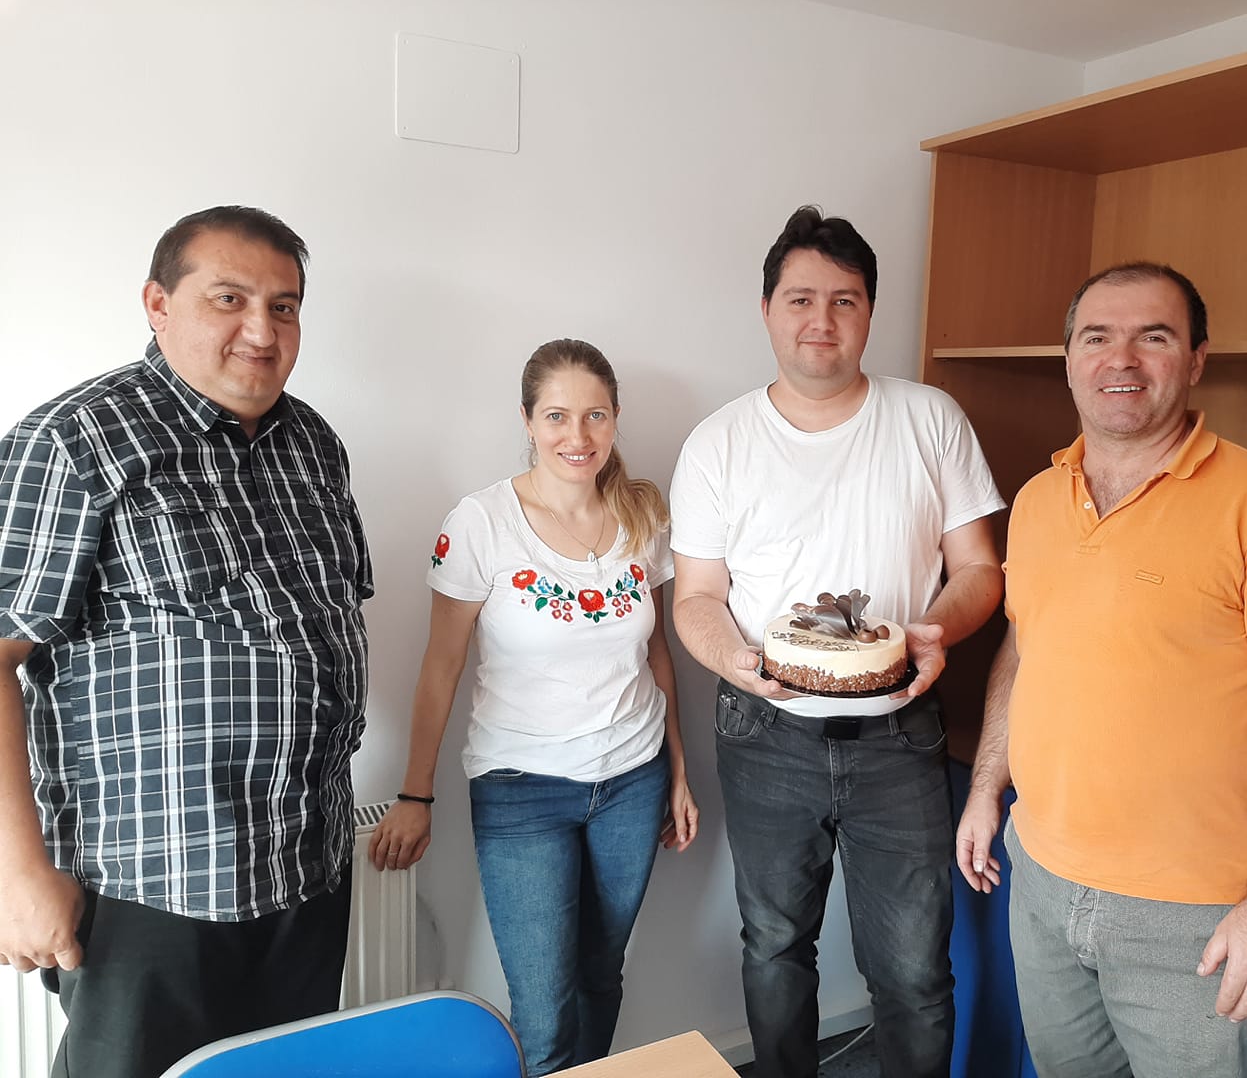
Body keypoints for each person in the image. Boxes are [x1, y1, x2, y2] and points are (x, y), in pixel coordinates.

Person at [0, 206, 372, 1078]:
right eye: (229, 299)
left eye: (284, 306)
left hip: (307, 866)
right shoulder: (76, 441)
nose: (262, 331)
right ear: (158, 304)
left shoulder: (314, 445)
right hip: (149, 884)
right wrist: (17, 871)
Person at [954, 262, 1247, 1077]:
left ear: (1197, 359)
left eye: (1154, 337)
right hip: (1041, 880)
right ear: (1069, 357)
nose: (1121, 359)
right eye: (1097, 337)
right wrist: (988, 784)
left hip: (1192, 919)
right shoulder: (1036, 500)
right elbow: (1024, 651)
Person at [669, 205, 1006, 1078]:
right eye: (801, 299)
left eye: (844, 301)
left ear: (869, 312)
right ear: (767, 310)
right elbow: (697, 598)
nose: (821, 320)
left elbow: (980, 568)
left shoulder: (930, 418)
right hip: (764, 733)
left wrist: (938, 629)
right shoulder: (718, 443)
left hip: (900, 733)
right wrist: (738, 661)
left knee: (915, 970)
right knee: (775, 945)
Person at [368, 338, 698, 1076]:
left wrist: (678, 771)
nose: (577, 436)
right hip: (522, 789)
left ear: (615, 417)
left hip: (633, 782)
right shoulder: (480, 523)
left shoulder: (644, 518)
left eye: (595, 415)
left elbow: (657, 656)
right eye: (556, 416)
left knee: (601, 976)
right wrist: (415, 794)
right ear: (526, 420)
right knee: (544, 1012)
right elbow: (440, 667)